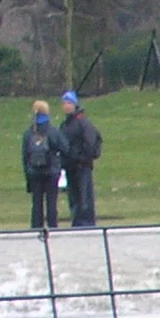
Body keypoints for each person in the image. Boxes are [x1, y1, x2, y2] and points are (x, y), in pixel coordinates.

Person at [57, 91, 100, 228]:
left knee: (84, 195)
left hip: (82, 165)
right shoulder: (64, 125)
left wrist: (82, 157)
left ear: (75, 104)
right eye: (64, 103)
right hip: (69, 166)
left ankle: (86, 222)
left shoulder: (83, 123)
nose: (66, 106)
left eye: (69, 103)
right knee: (73, 196)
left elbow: (91, 143)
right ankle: (77, 221)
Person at [21, 100, 62, 233]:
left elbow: (25, 155)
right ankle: (52, 226)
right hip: (51, 171)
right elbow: (63, 147)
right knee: (51, 201)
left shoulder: (29, 133)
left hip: (34, 172)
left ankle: (36, 227)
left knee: (37, 202)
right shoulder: (53, 130)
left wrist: (28, 173)